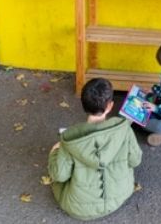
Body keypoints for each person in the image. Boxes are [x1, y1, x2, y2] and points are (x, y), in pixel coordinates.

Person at [48, 78, 142, 220]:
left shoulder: (70, 139)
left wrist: (54, 152)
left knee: (58, 177)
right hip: (120, 196)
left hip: (79, 208)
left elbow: (59, 175)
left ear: (83, 105)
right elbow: (135, 161)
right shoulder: (124, 129)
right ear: (110, 106)